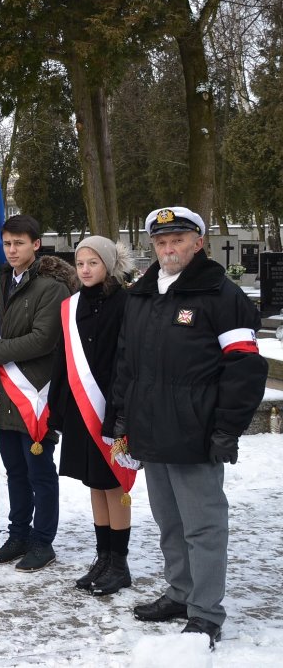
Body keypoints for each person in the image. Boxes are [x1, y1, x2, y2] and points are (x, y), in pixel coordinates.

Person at [112, 206, 267, 649]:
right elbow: (126, 364)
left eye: (178, 240)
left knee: (203, 527)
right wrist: (122, 417)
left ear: (198, 243)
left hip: (196, 432)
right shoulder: (141, 295)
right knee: (169, 523)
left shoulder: (221, 293)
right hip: (150, 430)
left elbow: (245, 369)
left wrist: (226, 429)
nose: (168, 248)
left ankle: (205, 612)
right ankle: (180, 594)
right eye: (161, 242)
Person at [0, 214, 75, 572]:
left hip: (35, 396)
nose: (12, 250)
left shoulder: (52, 288)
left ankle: (42, 541)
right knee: (14, 472)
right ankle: (18, 534)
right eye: (7, 243)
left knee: (39, 472)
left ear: (36, 244)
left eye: (19, 243)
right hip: (4, 396)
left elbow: (43, 340)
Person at [48, 236, 135, 595]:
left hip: (112, 407)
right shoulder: (71, 306)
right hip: (80, 409)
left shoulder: (127, 303)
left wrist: (123, 409)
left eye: (93, 263)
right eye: (80, 263)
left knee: (114, 483)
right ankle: (102, 557)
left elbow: (130, 359)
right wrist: (57, 407)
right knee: (94, 482)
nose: (85, 269)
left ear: (109, 265)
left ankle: (119, 562)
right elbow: (63, 359)